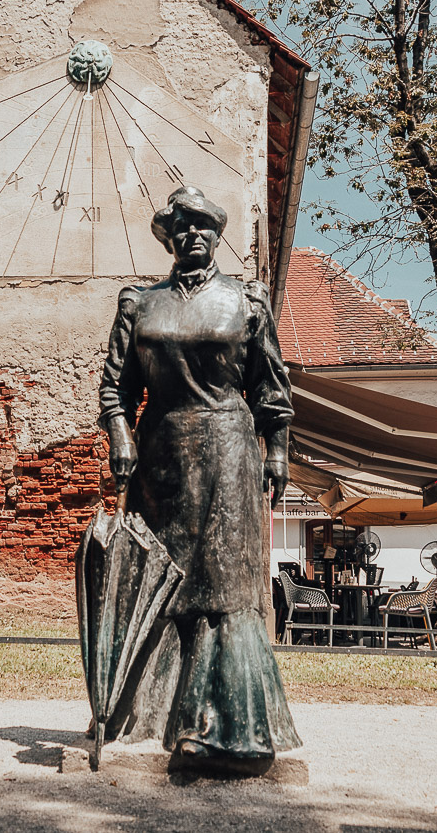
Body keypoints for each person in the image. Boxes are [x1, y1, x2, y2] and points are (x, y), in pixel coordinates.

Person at [97, 186, 300, 776]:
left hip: (229, 452)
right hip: (160, 454)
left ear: (217, 235)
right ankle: (141, 716)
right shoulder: (140, 304)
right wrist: (121, 437)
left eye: (204, 227)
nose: (193, 236)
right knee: (157, 585)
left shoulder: (246, 302)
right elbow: (116, 388)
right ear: (168, 237)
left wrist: (278, 452)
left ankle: (228, 729)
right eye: (181, 228)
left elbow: (272, 388)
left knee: (224, 589)